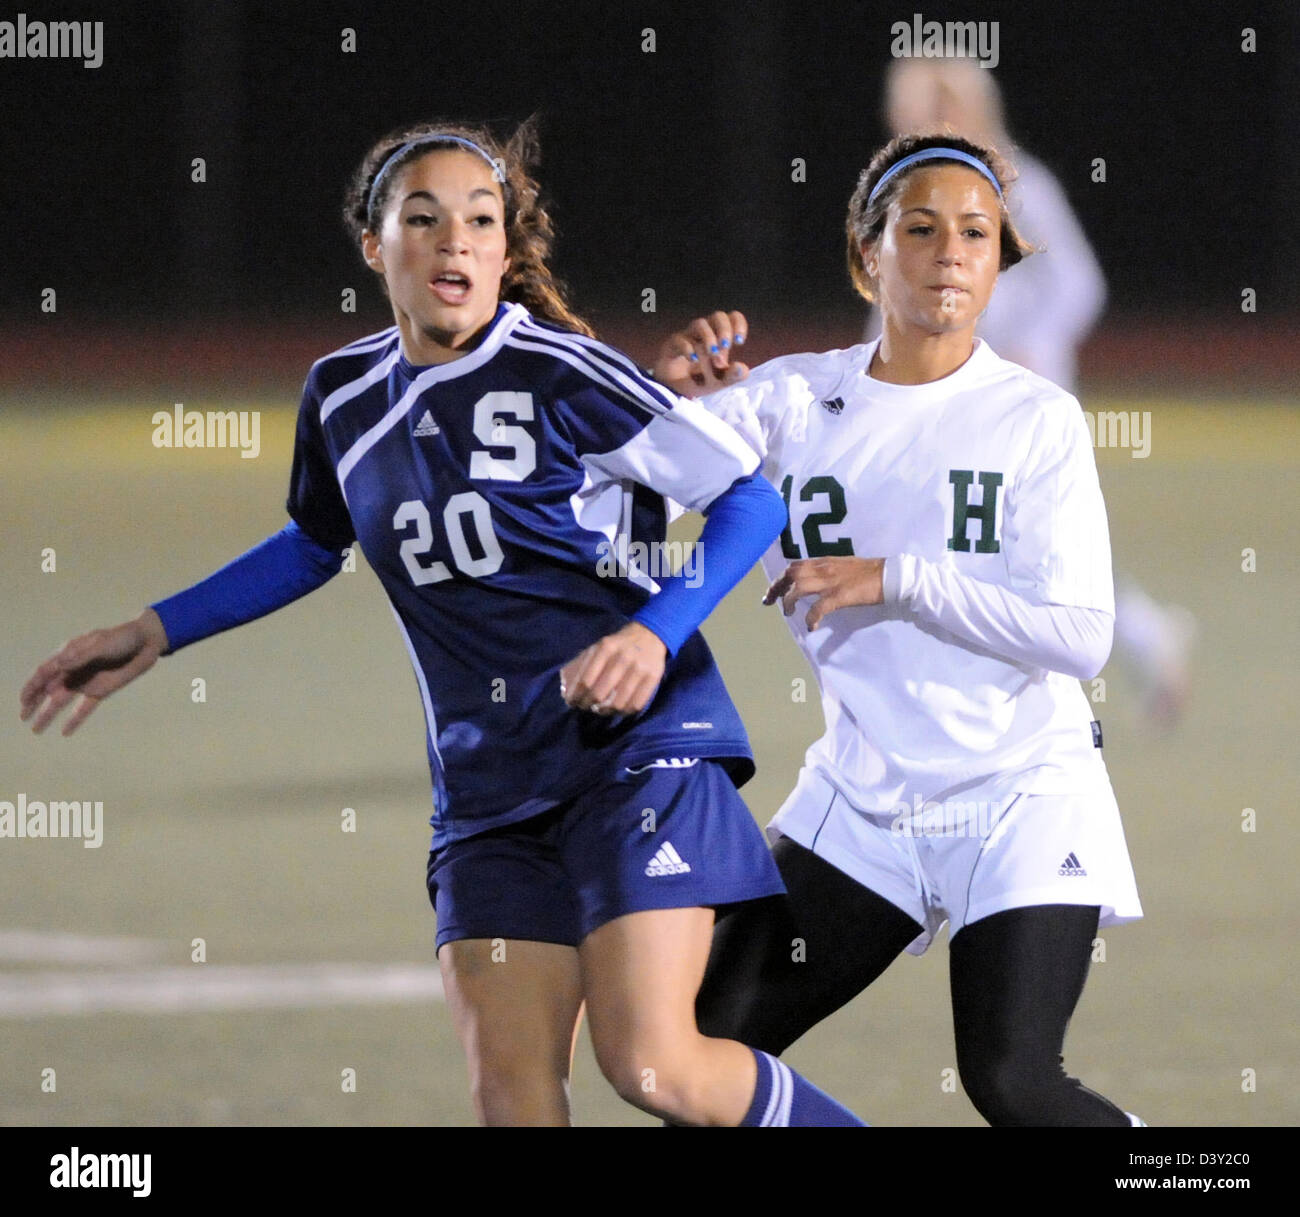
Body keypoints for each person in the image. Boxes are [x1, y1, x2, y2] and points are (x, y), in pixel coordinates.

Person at [19, 118, 867, 1128]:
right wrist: (157, 628)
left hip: (635, 756)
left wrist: (653, 634)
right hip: (486, 790)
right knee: (511, 1099)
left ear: (507, 250)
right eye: (421, 219)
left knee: (652, 1066)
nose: (453, 241)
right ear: (374, 246)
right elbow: (310, 544)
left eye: (478, 220)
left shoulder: (563, 371)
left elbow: (748, 499)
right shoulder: (340, 394)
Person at [653, 132, 1146, 1126]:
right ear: (866, 253)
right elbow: (615, 501)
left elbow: (1083, 636)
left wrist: (902, 579)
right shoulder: (789, 400)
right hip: (865, 799)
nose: (951, 252)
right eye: (919, 228)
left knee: (1013, 1079)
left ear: (999, 261)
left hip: (1018, 792)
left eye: (975, 232)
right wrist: (663, 404)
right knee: (695, 1049)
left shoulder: (1033, 417)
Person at [872, 56, 1195, 723]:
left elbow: (1081, 284)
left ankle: (1095, 663)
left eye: (937, 111)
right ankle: (1139, 641)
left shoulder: (1024, 188)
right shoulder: (907, 197)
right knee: (984, 543)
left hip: (1023, 398)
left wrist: (1031, 345)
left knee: (1030, 547)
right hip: (947, 400)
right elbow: (889, 303)